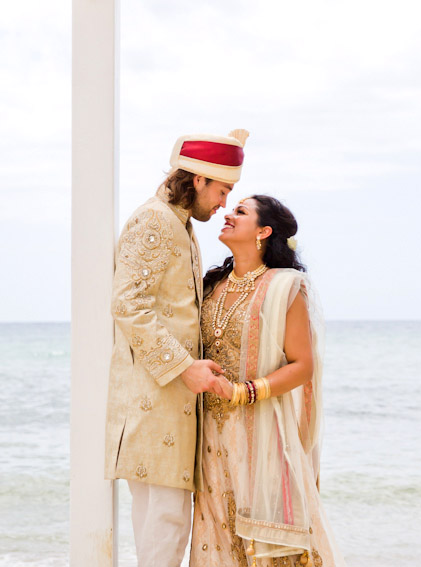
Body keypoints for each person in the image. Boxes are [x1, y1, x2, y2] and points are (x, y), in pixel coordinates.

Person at [105, 130, 249, 567]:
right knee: (164, 524)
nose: (223, 203)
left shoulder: (178, 223)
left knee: (162, 524)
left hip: (166, 402)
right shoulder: (155, 220)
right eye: (222, 191)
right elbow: (127, 303)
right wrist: (185, 368)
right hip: (154, 401)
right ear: (200, 180)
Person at [190, 195, 345, 567]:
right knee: (219, 538)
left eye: (240, 211)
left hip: (260, 432)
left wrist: (243, 393)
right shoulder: (211, 285)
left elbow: (302, 364)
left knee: (268, 549)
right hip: (211, 436)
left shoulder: (286, 287)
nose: (227, 213)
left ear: (264, 231)